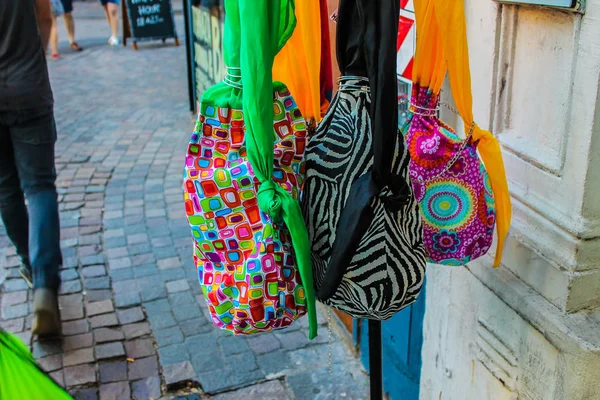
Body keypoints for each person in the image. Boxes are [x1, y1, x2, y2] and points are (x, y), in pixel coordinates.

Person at [0, 0, 63, 337]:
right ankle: (44, 282)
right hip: (28, 88)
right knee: (38, 187)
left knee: (6, 190)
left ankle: (29, 262)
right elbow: (43, 15)